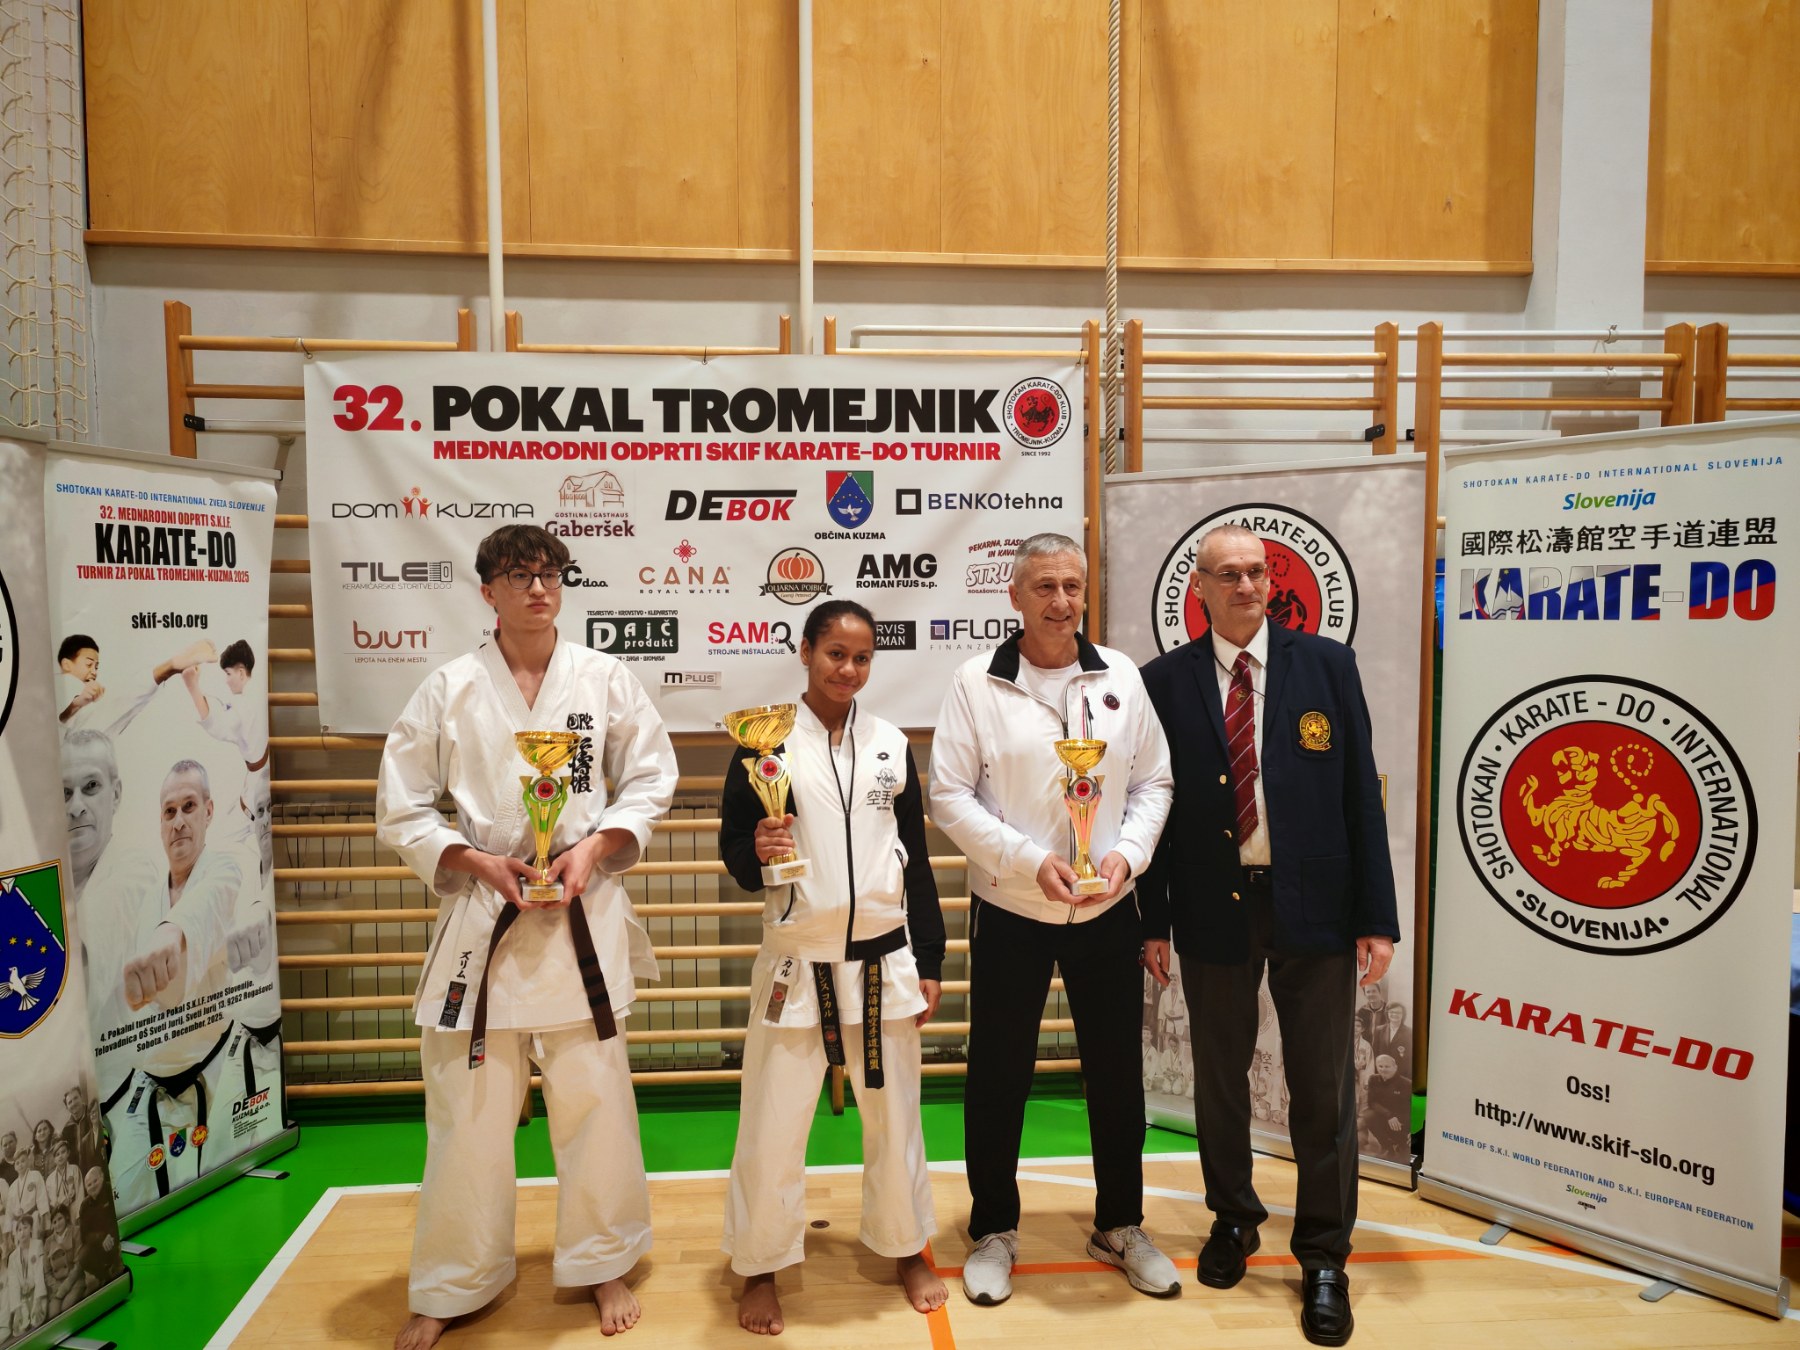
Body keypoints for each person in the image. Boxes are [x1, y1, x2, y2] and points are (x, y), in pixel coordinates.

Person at [377, 524, 676, 1348]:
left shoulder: (604, 679)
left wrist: (594, 846)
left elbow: (651, 777)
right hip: (488, 918)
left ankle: (602, 1260)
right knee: (468, 1114)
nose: (538, 589)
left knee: (596, 1103)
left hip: (579, 912)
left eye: (549, 574)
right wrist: (474, 859)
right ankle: (453, 1281)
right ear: (488, 591)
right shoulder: (449, 688)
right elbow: (401, 804)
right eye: (518, 576)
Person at [1140, 523, 1400, 1347]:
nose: (1248, 585)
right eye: (1230, 574)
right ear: (1200, 588)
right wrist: (1153, 920)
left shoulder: (1328, 665)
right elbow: (1151, 805)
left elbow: (1360, 795)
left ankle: (1324, 1256)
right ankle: (1233, 1219)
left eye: (1257, 572)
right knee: (1219, 1080)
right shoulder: (1162, 681)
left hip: (1316, 907)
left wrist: (1377, 918)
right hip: (1211, 907)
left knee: (1323, 1090)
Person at [929, 532, 1176, 1305]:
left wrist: (1126, 857)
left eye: (1072, 585)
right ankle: (994, 1231)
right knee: (998, 1076)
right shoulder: (976, 682)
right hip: (1012, 906)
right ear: (1015, 596)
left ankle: (1121, 1224)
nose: (1061, 601)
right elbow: (947, 794)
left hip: (1107, 907)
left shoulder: (1121, 677)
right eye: (1044, 586)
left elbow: (1155, 783)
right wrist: (1028, 860)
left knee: (1117, 1075)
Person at [718, 600, 948, 1335]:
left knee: (895, 1120)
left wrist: (931, 955)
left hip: (884, 958)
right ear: (805, 652)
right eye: (835, 654)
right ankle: (760, 1266)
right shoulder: (762, 743)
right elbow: (736, 851)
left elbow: (916, 857)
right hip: (799, 959)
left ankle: (905, 1246)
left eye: (862, 657)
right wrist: (757, 850)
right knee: (773, 1124)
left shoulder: (890, 743)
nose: (848, 669)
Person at [93, 760, 241, 1213]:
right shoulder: (147, 902)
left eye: (189, 807)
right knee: (125, 1194)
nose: (178, 822)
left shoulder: (224, 872)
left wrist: (170, 936)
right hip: (152, 1082)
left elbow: (204, 909)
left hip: (213, 1074)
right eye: (169, 811)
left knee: (221, 1201)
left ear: (208, 811)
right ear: (160, 823)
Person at [55, 634, 213, 737]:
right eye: (89, 664)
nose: (94, 671)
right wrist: (76, 703)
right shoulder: (62, 684)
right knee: (116, 704)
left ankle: (167, 669)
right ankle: (167, 668)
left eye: (96, 667)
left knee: (120, 705)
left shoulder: (86, 705)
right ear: (67, 665)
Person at [60, 731, 122, 896]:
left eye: (91, 785)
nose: (76, 807)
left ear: (116, 795)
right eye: (65, 792)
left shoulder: (134, 873)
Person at [1359, 1055, 1411, 1160]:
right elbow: (1372, 1102)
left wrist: (1412, 1130)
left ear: (1395, 1067)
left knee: (1405, 1154)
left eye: (1387, 1066)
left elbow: (1411, 1109)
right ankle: (1388, 1147)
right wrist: (1389, 1115)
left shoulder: (1407, 1084)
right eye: (1380, 1066)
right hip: (1385, 1117)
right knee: (1368, 1115)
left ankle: (1400, 1144)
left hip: (1401, 1122)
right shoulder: (1373, 1079)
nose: (1383, 1069)